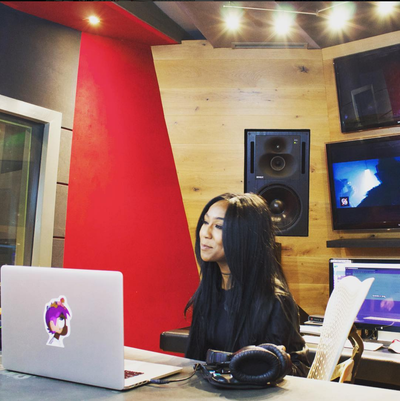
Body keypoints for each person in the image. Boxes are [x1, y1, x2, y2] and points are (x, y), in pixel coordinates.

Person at [184, 193, 310, 377]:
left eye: (218, 226)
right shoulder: (208, 292)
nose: (205, 233)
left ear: (244, 235)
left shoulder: (274, 301)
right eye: (205, 222)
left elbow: (297, 370)